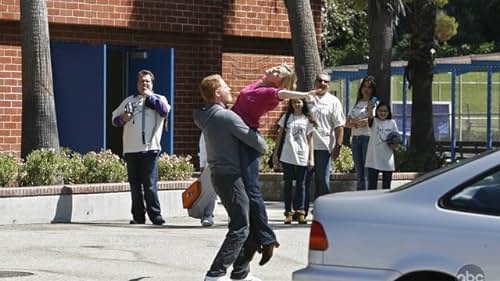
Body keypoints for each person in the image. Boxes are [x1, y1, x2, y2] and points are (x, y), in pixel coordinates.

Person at [231, 64, 320, 265]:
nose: (275, 69)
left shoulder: (270, 92)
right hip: (238, 136)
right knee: (244, 190)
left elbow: (283, 93)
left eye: (279, 72)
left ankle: (267, 237)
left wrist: (305, 94)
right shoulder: (259, 83)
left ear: (279, 81)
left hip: (247, 140)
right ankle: (255, 238)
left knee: (251, 189)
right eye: (277, 67)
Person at [193, 74, 268, 281]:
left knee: (243, 223)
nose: (230, 91)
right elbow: (260, 145)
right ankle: (215, 274)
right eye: (226, 87)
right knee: (240, 226)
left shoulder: (206, 115)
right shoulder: (226, 117)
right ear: (217, 93)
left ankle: (241, 273)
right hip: (232, 176)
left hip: (220, 175)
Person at [112, 69, 170, 225]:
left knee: (150, 184)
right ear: (137, 83)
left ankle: (155, 215)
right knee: (135, 185)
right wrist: (123, 118)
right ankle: (138, 216)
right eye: (141, 81)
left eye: (147, 81)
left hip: (150, 149)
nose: (144, 84)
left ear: (152, 83)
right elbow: (115, 120)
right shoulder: (129, 101)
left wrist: (149, 95)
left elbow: (164, 111)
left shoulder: (159, 99)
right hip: (131, 150)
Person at [304, 72, 345, 216]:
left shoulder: (333, 101)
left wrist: (337, 147)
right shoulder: (306, 99)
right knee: (304, 181)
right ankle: (301, 211)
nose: (323, 84)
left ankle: (323, 210)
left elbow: (339, 126)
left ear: (329, 84)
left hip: (324, 147)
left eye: (326, 82)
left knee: (322, 181)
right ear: (315, 82)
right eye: (320, 81)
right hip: (304, 147)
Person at [272, 99, 316, 224]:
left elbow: (310, 139)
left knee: (301, 185)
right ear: (291, 104)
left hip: (302, 155)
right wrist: (275, 154)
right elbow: (279, 136)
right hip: (287, 155)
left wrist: (311, 158)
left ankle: (301, 211)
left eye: (299, 102)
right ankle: (288, 212)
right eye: (294, 102)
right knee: (288, 185)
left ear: (303, 104)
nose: (297, 105)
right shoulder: (287, 117)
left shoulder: (307, 119)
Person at [345, 76, 378, 190]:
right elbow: (347, 122)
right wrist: (355, 123)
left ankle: (368, 194)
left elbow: (369, 121)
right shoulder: (357, 103)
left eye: (369, 87)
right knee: (359, 171)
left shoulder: (373, 102)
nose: (366, 89)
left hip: (367, 138)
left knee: (366, 170)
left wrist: (355, 122)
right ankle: (360, 193)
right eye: (364, 86)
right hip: (355, 139)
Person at [365, 101, 399, 190]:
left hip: (387, 160)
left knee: (386, 188)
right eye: (380, 110)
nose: (382, 113)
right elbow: (370, 118)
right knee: (371, 188)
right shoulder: (374, 121)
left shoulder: (392, 122)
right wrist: (370, 107)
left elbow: (396, 140)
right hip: (373, 159)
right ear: (376, 111)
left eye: (385, 111)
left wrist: (394, 144)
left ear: (389, 112)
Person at [188, 132, 217, 227]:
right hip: (212, 163)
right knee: (209, 191)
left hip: (229, 162)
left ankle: (235, 217)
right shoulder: (209, 124)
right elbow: (203, 144)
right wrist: (202, 164)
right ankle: (207, 215)